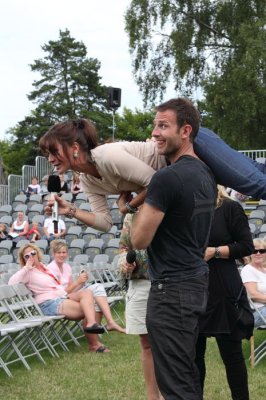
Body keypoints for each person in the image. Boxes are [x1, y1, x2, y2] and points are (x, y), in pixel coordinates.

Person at [39, 116, 266, 233]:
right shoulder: (87, 179)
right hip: (184, 171)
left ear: (74, 147)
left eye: (53, 151)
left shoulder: (107, 156)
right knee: (258, 176)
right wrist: (71, 211)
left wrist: (128, 206)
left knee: (257, 184)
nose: (50, 159)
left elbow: (156, 182)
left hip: (190, 145)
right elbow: (105, 222)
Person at [130, 98, 217, 399]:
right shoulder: (207, 174)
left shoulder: (166, 179)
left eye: (163, 125)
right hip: (194, 284)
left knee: (176, 385)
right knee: (187, 373)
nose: (154, 132)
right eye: (155, 124)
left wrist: (129, 208)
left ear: (186, 131)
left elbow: (139, 240)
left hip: (171, 291)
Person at [195, 186, 254, 400]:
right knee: (193, 357)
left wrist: (216, 251)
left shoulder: (230, 208)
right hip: (193, 287)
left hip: (223, 287)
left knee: (232, 355)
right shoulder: (186, 209)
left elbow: (247, 246)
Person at [8, 243, 105, 339]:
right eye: (26, 256)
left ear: (37, 253)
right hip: (48, 303)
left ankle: (92, 325)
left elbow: (60, 288)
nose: (30, 257)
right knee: (90, 308)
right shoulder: (28, 273)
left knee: (87, 293)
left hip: (60, 297)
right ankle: (94, 342)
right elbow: (11, 283)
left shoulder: (44, 267)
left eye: (32, 253)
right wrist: (26, 268)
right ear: (23, 259)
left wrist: (79, 284)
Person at [48, 239, 125, 352]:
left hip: (68, 296)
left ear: (67, 254)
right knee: (91, 303)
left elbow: (71, 290)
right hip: (58, 300)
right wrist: (78, 282)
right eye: (59, 252)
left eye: (64, 252)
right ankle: (95, 343)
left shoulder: (67, 267)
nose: (62, 255)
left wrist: (81, 283)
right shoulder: (51, 269)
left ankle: (109, 322)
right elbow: (62, 293)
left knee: (97, 287)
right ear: (53, 254)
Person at [118, 213, 161, 400]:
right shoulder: (131, 216)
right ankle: (152, 396)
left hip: (170, 283)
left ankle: (170, 393)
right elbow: (123, 249)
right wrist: (125, 264)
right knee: (146, 344)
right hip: (141, 285)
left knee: (170, 343)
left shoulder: (173, 207)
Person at [241, 238, 266, 327]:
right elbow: (253, 295)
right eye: (254, 251)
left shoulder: (264, 270)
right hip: (257, 312)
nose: (258, 253)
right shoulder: (248, 270)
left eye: (262, 251)